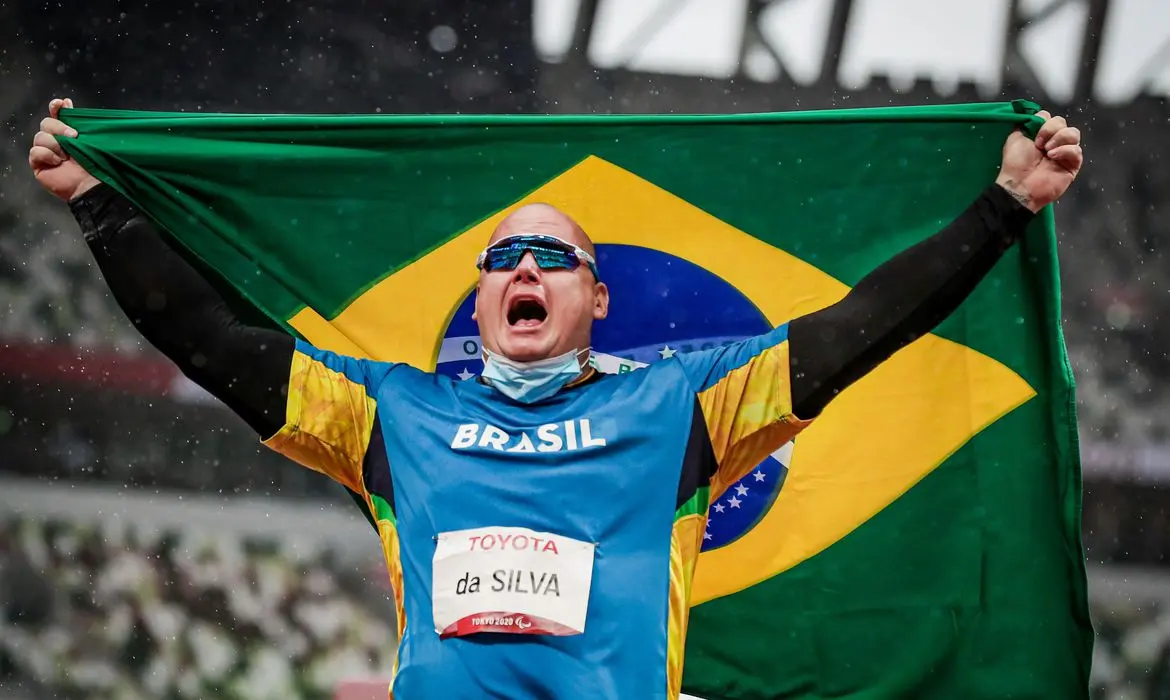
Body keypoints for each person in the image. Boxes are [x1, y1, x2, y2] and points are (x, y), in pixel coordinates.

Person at [29, 97, 1084, 700]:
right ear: (482, 292)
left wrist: (1005, 206)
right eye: (503, 256)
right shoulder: (388, 412)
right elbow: (208, 341)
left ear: (595, 294)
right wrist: (95, 204)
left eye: (551, 255)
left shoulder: (686, 403)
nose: (523, 267)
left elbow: (861, 327)